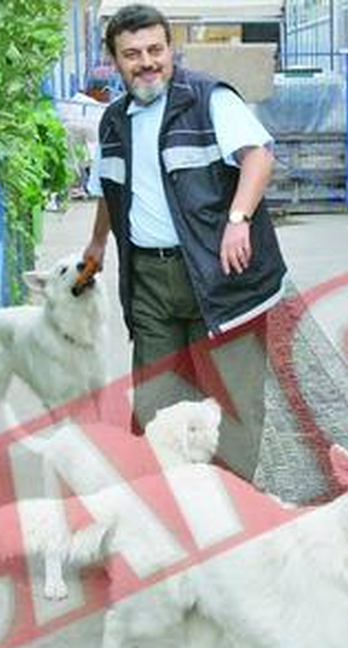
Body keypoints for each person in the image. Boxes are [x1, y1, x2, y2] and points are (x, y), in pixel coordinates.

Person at [84, 3, 286, 481]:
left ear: (170, 49)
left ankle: (233, 502)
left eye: (155, 50)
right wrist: (97, 244)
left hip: (221, 275)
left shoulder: (208, 100)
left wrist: (238, 219)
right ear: (114, 60)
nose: (146, 62)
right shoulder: (113, 121)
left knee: (231, 401)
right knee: (155, 403)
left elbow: (258, 158)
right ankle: (165, 503)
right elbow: (109, 190)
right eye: (132, 54)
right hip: (149, 280)